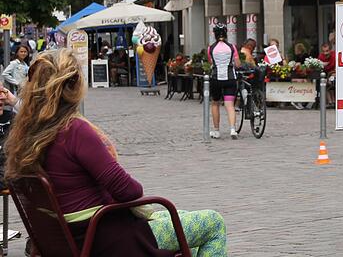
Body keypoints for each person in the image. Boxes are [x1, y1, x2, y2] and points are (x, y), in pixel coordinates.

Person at [3, 49, 227, 255]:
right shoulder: (74, 130)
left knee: (181, 217)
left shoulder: (26, 133)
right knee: (213, 223)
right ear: (73, 85)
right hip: (106, 237)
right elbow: (129, 191)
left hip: (71, 237)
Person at [208, 23, 241, 139]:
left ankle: (216, 130)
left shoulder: (211, 48)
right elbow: (237, 64)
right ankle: (232, 129)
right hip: (230, 78)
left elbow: (211, 62)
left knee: (215, 103)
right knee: (230, 104)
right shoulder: (232, 47)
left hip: (216, 78)